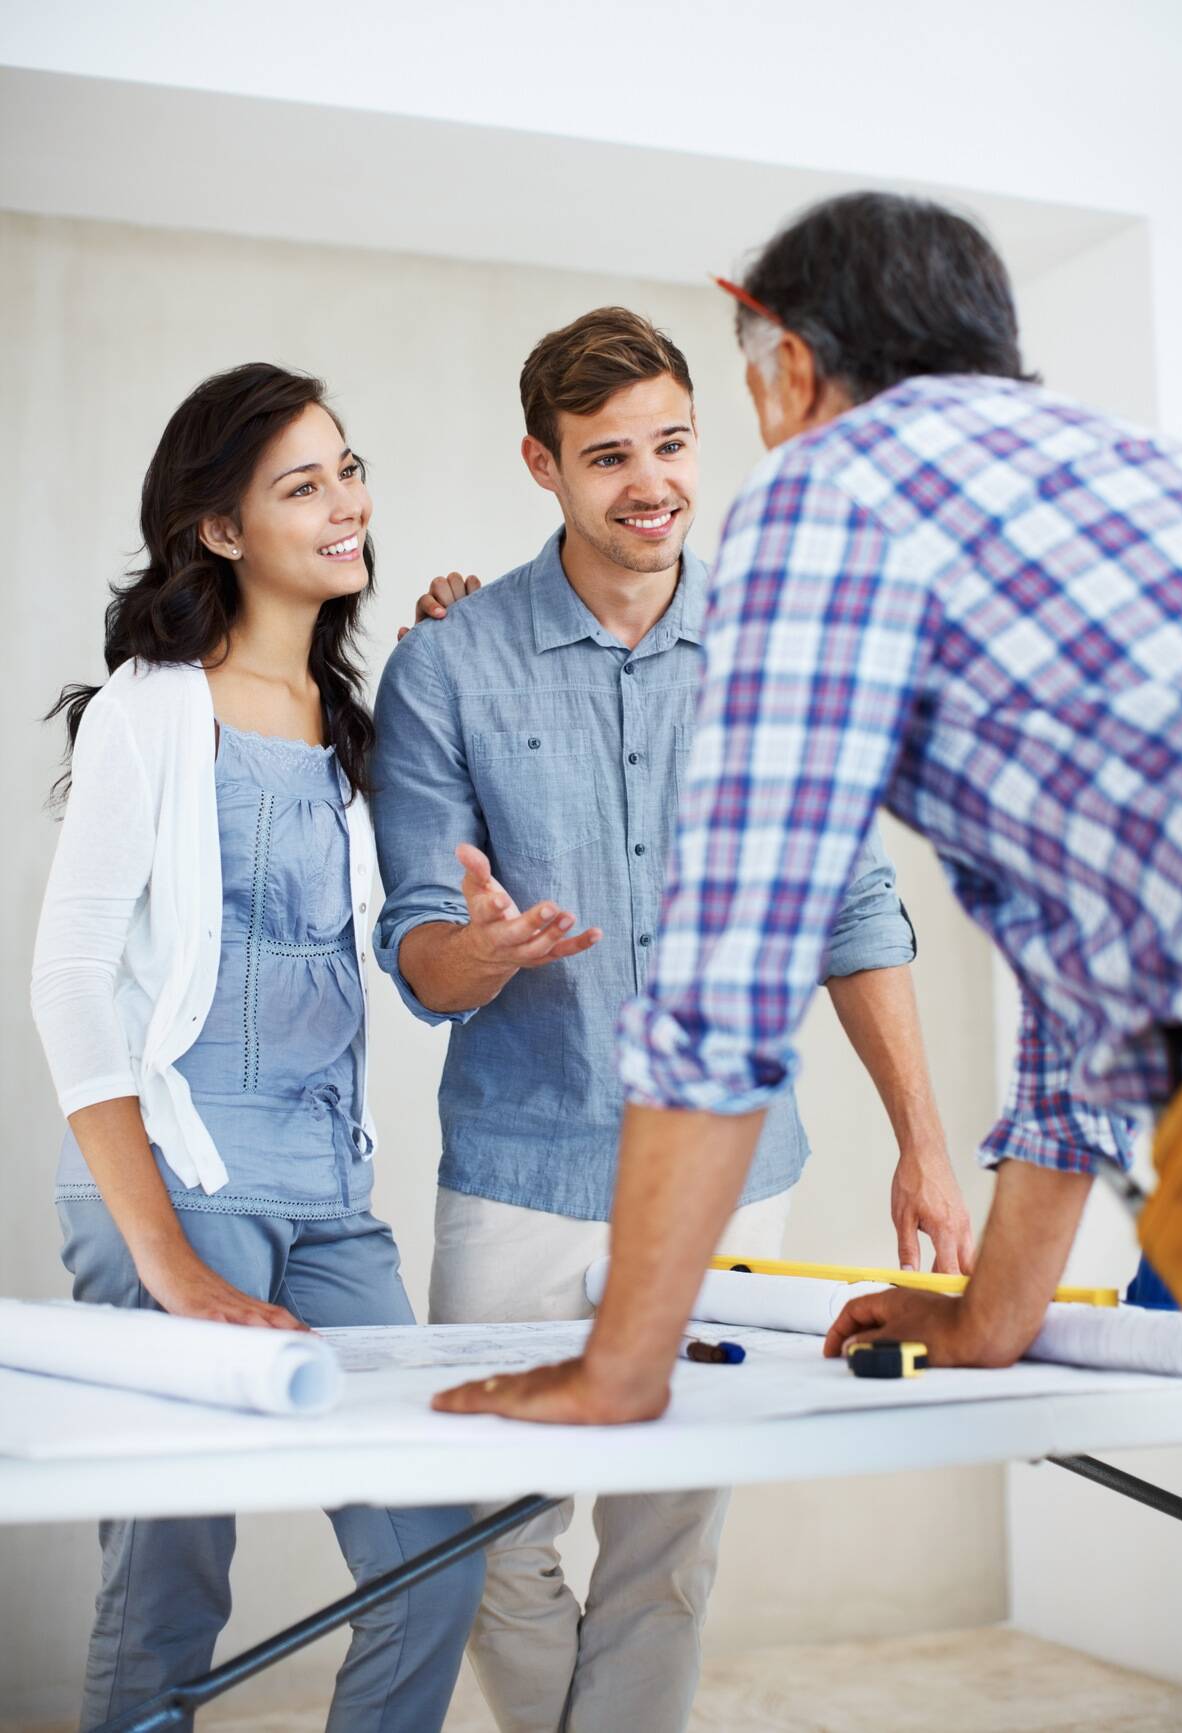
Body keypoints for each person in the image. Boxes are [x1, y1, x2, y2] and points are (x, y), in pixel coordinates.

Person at [433, 191, 1182, 1430]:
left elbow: (737, 960)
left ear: (789, 368)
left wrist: (621, 1364)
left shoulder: (830, 495)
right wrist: (992, 1316)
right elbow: (1087, 963)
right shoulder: (1139, 470)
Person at [372, 306, 969, 1732]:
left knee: (667, 1544)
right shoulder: (449, 663)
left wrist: (924, 1145)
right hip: (519, 1176)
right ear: (543, 464)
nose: (649, 482)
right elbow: (414, 954)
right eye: (607, 456)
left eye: (672, 444)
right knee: (488, 1532)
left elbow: (851, 907)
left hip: (730, 1173)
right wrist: (490, 950)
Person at [31, 363, 482, 1730]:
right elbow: (66, 986)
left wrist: (452, 647)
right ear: (220, 529)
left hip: (329, 1198)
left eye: (347, 468)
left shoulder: (354, 728)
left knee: (432, 1547)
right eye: (303, 485)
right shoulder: (149, 710)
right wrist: (168, 1259)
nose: (347, 504)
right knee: (172, 1577)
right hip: (180, 1181)